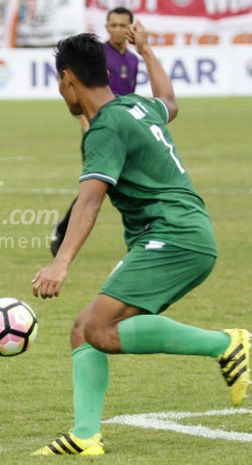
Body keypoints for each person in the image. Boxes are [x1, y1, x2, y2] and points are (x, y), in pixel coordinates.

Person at [30, 24, 249, 456]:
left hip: (174, 236)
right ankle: (85, 435)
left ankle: (228, 344)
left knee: (99, 328)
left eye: (60, 81)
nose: (61, 90)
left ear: (68, 78)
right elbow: (170, 103)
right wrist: (147, 52)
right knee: (82, 330)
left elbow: (90, 202)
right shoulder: (135, 106)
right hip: (179, 234)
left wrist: (61, 263)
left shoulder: (105, 129)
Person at [50, 7, 139, 257]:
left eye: (123, 25)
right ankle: (63, 231)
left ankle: (64, 229)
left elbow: (127, 98)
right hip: (99, 130)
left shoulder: (132, 61)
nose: (118, 30)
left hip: (123, 130)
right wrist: (88, 128)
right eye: (113, 25)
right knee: (97, 187)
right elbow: (83, 97)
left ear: (131, 28)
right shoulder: (99, 57)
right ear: (107, 27)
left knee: (109, 186)